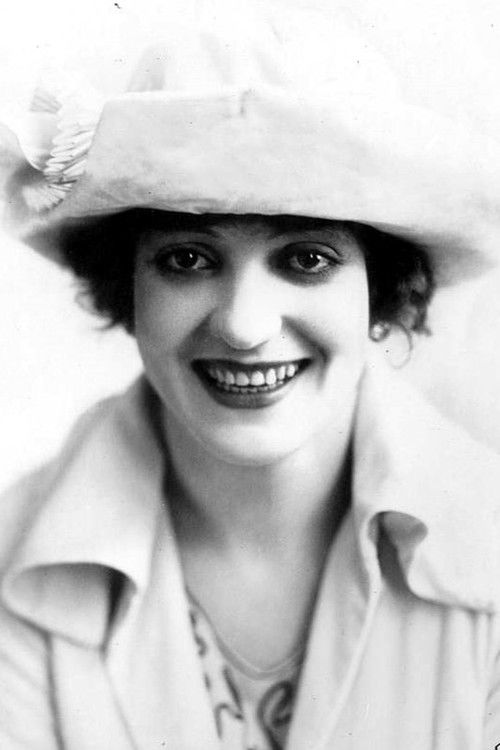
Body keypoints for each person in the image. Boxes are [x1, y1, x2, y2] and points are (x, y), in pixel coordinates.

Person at [1, 2, 500, 748]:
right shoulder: (12, 558)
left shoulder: (489, 538)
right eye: (187, 259)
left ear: (380, 290)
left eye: (307, 259)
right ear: (126, 286)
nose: (243, 324)